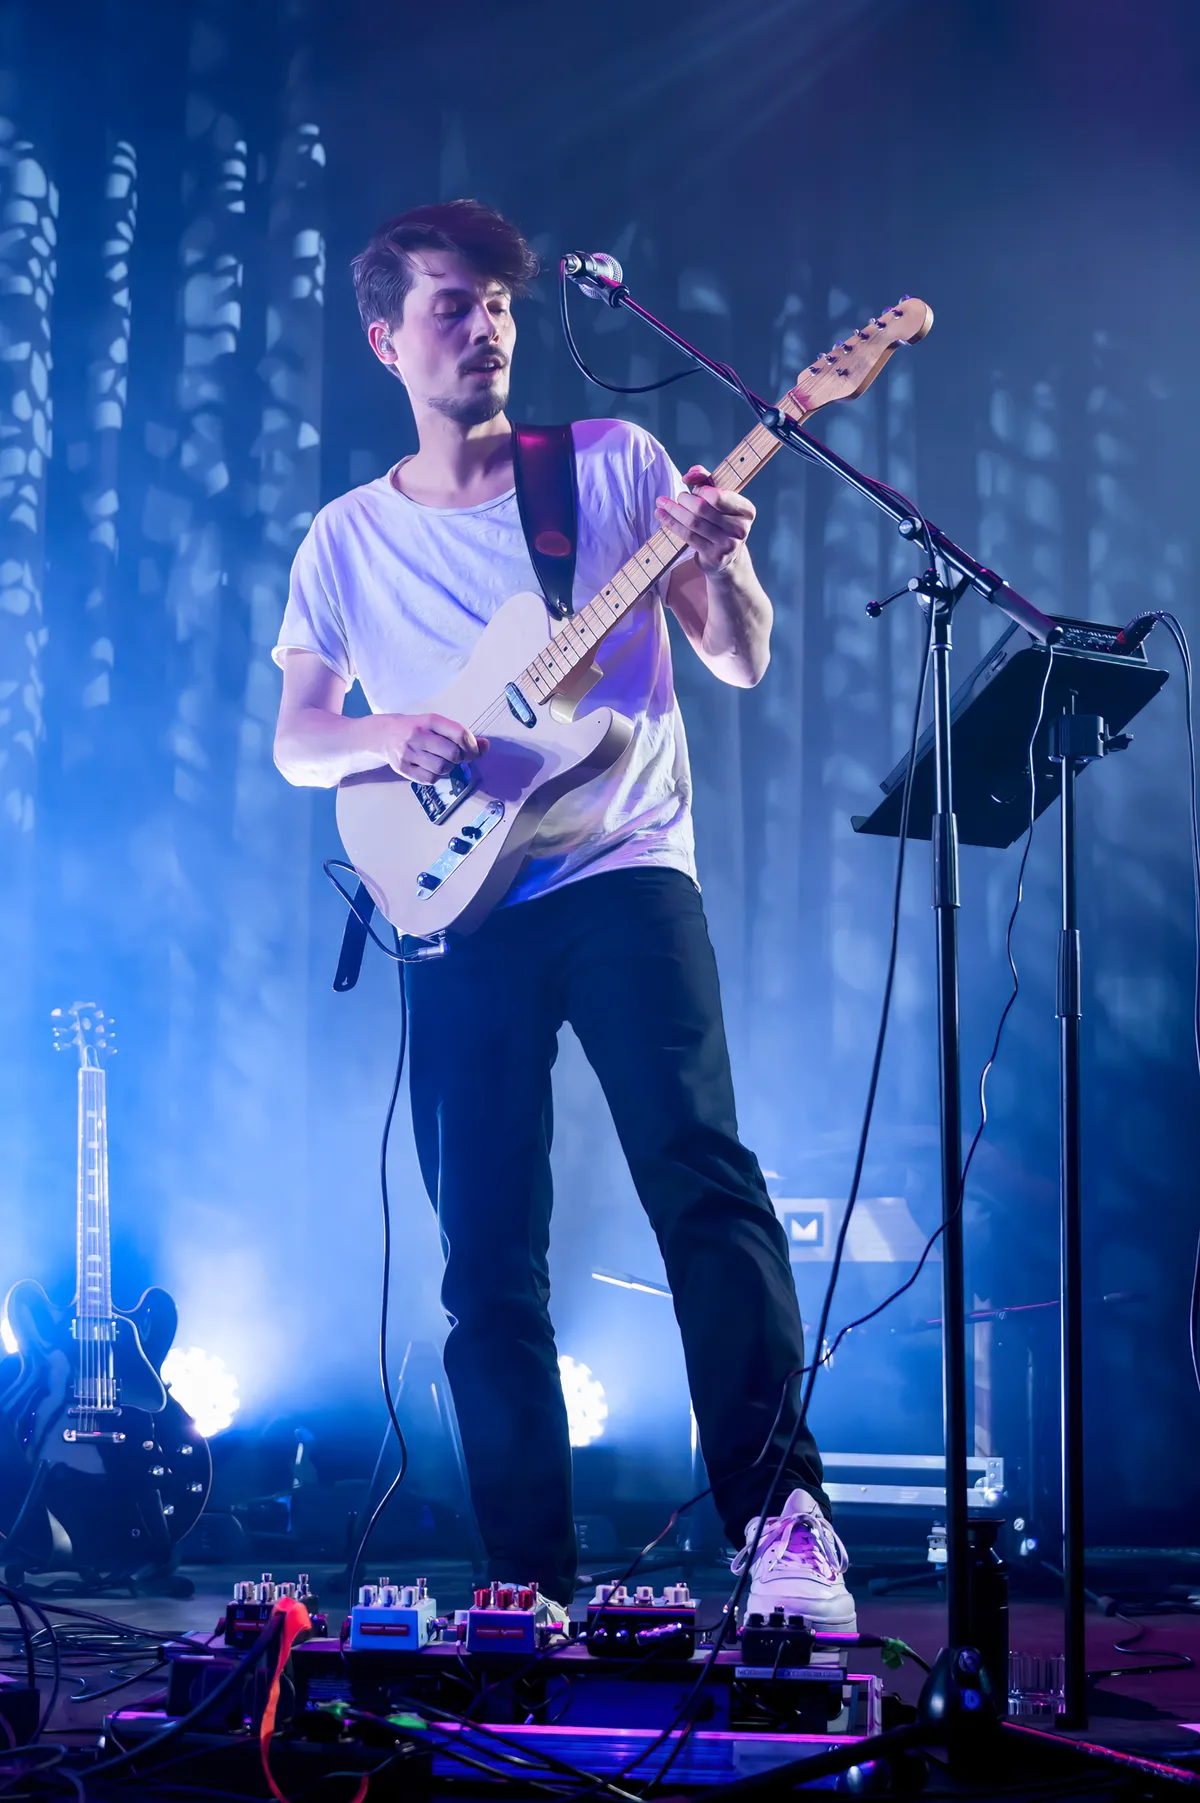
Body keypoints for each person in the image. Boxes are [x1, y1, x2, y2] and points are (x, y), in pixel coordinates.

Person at [272, 199, 855, 1633]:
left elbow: (739, 660)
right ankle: (523, 1579)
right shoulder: (347, 538)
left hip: (623, 865)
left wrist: (716, 559)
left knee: (702, 1180)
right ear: (386, 339)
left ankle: (783, 1527)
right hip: (457, 902)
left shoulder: (611, 466)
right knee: (486, 1253)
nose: (486, 329)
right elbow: (299, 739)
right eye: (453, 306)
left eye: (500, 306)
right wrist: (392, 731)